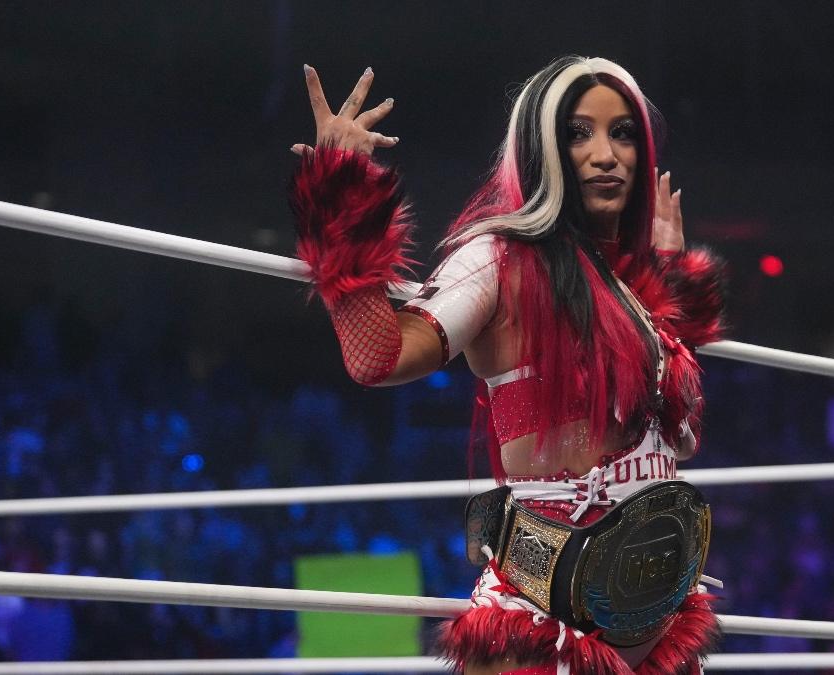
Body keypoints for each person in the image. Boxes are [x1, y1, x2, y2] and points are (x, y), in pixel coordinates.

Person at [290, 56, 727, 675]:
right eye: (579, 133)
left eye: (623, 132)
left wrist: (668, 290)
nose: (606, 154)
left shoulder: (630, 292)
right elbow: (376, 357)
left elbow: (680, 442)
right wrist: (343, 199)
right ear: (541, 148)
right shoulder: (497, 257)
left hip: (660, 626)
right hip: (543, 617)